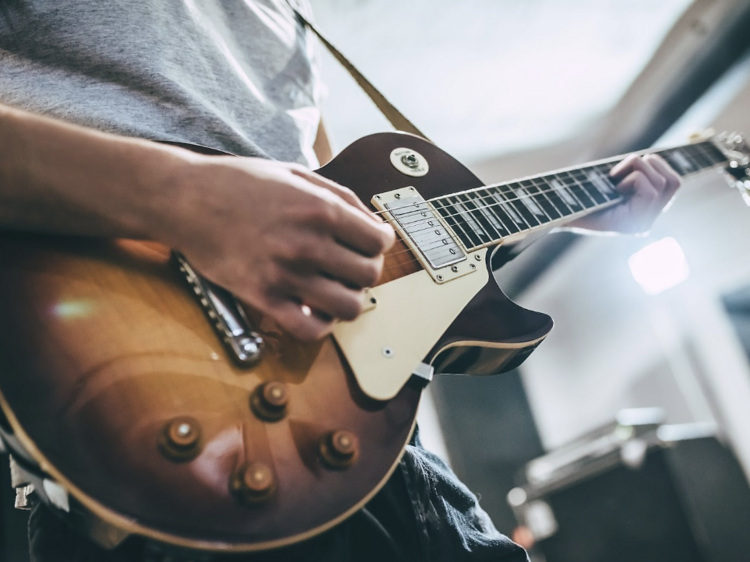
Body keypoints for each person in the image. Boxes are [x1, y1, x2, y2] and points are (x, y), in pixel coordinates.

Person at [0, 1, 681, 561]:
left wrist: (550, 215)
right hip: (150, 436)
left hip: (367, 445)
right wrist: (178, 196)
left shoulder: (285, 12)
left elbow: (360, 228)